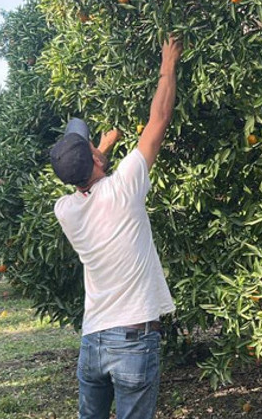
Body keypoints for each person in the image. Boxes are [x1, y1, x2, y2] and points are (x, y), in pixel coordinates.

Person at [49, 35, 183, 419]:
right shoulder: (124, 187)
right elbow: (158, 122)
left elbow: (85, 182)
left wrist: (99, 153)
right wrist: (168, 62)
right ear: (92, 157)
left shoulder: (66, 210)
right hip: (133, 341)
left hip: (93, 340)